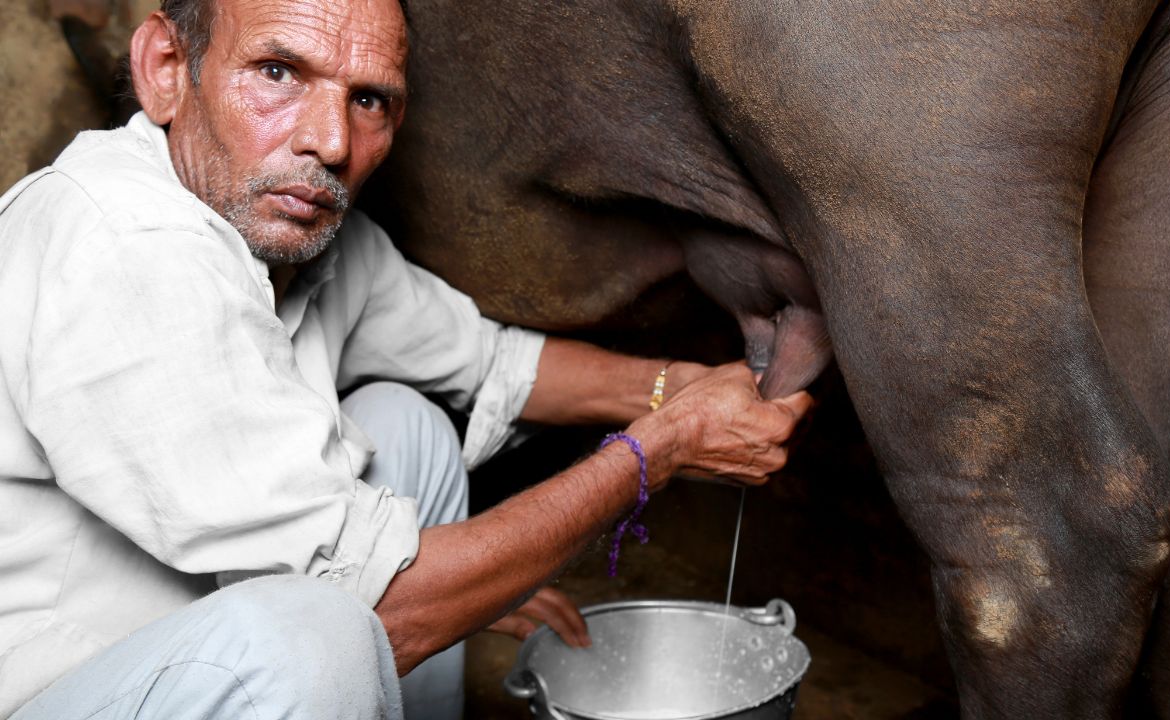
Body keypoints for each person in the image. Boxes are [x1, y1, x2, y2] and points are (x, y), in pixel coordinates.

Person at [0, 0, 814, 716]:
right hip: (57, 692)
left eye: (368, 100)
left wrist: (682, 391)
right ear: (166, 69)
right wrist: (657, 451)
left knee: (406, 428)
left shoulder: (302, 232)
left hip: (193, 645)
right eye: (278, 72)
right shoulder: (124, 248)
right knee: (309, 641)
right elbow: (379, 609)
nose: (329, 142)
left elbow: (493, 362)